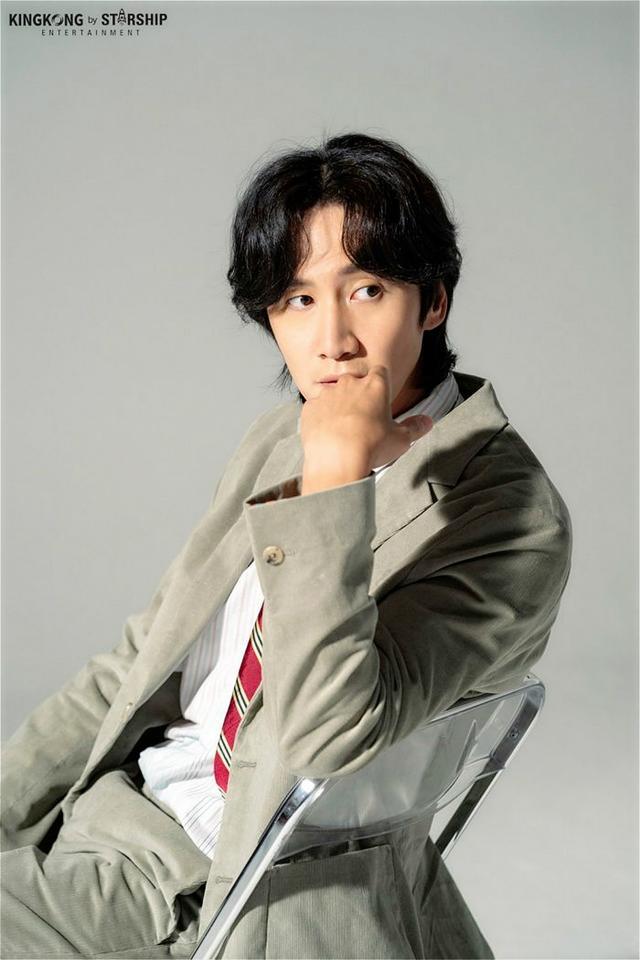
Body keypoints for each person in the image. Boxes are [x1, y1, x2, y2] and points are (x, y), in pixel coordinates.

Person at [1, 132, 573, 959]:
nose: (332, 339)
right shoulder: (279, 438)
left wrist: (335, 482)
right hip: (121, 823)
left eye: (366, 289)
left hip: (234, 887)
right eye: (297, 300)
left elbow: (328, 739)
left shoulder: (507, 516)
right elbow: (140, 661)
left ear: (433, 300)